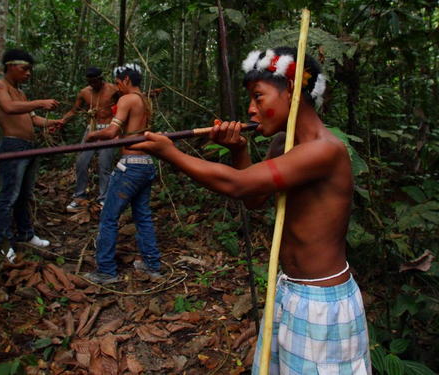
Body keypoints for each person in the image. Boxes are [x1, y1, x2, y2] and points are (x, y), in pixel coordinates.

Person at [130, 47, 371, 374]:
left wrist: (170, 153)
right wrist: (239, 150)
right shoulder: (283, 144)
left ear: (290, 89)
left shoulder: (324, 151)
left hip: (321, 305)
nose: (251, 109)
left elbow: (239, 186)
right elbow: (253, 199)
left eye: (258, 97)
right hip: (289, 292)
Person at [82, 64, 162, 284]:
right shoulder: (145, 100)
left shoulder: (127, 99)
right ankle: (152, 265)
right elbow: (129, 134)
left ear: (126, 79)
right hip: (145, 163)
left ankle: (106, 271)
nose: (117, 87)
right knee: (142, 217)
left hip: (130, 166)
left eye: (118, 83)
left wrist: (92, 136)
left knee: (108, 218)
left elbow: (111, 132)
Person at [0, 48, 63, 263]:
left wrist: (51, 123)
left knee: (24, 196)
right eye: (25, 69)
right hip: (13, 146)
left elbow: (33, 119)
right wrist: (40, 102)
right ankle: (3, 244)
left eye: (30, 69)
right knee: (8, 196)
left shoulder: (21, 93)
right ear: (10, 66)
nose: (28, 73)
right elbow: (9, 108)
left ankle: (26, 235)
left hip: (30, 147)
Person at [60, 67, 119, 211]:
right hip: (91, 129)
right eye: (89, 82)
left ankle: (103, 199)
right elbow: (74, 111)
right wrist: (61, 122)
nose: (92, 84)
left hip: (108, 129)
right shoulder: (84, 92)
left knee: (104, 165)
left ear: (101, 79)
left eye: (95, 81)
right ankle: (79, 197)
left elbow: (123, 106)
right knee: (81, 162)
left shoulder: (113, 90)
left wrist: (118, 130)